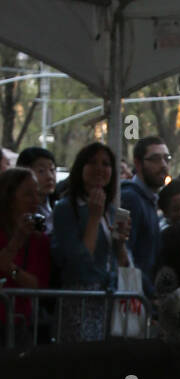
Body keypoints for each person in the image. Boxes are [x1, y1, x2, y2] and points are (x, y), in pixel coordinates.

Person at [50, 141, 132, 341]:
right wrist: (94, 219)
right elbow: (77, 261)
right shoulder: (65, 208)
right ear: (81, 168)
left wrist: (120, 245)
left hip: (110, 299)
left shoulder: (112, 211)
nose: (100, 169)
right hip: (79, 300)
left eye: (106, 164)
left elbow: (123, 264)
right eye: (92, 162)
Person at [0, 168, 51, 342]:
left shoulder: (39, 239)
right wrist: (17, 240)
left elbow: (38, 285)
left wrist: (12, 270)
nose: (36, 200)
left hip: (19, 323)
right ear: (9, 197)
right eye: (28, 194)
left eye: (37, 194)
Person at [121, 135, 171, 295]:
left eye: (166, 158)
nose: (163, 165)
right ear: (138, 163)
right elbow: (126, 252)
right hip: (133, 296)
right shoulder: (131, 198)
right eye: (155, 159)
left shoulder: (149, 200)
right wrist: (148, 292)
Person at [15, 146, 57, 235]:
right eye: (41, 171)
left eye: (52, 169)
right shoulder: (17, 213)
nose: (50, 176)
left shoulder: (59, 206)